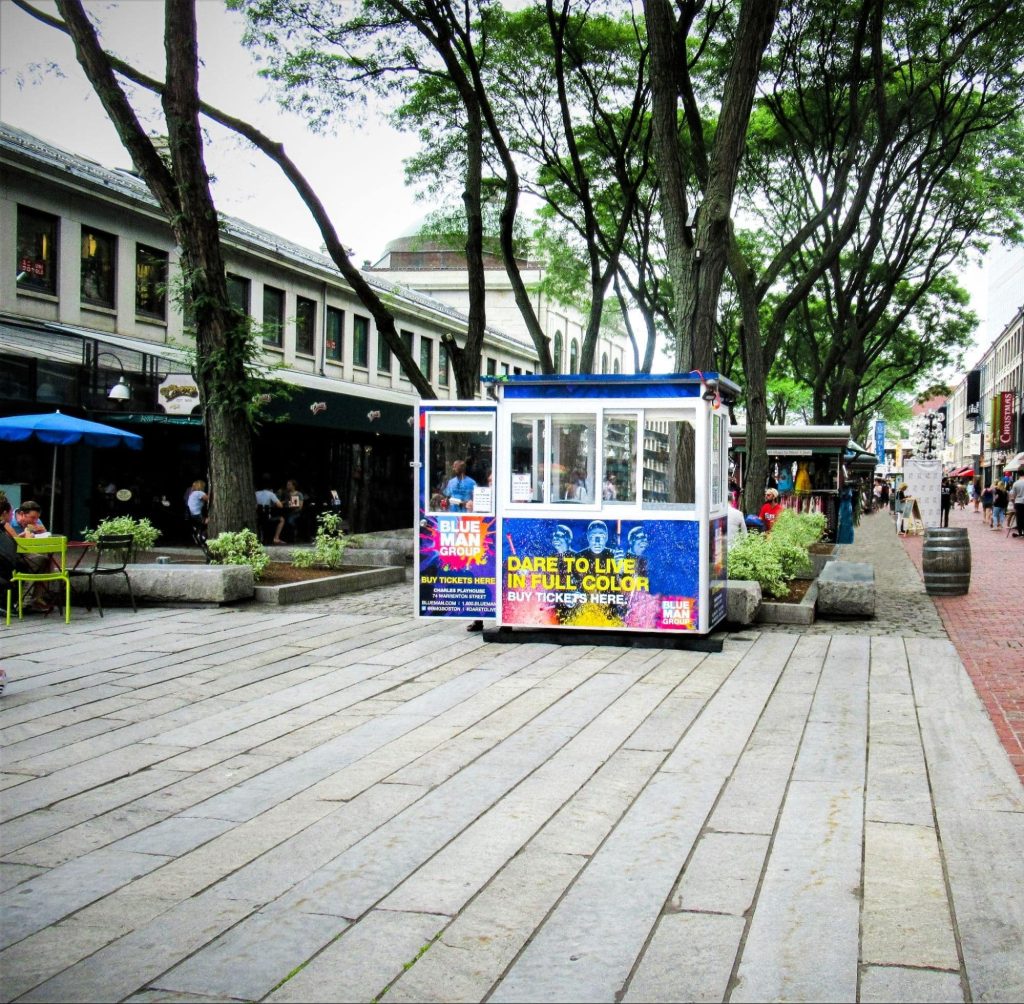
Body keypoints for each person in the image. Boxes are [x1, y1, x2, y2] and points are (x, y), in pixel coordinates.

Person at [1009, 471, 1024, 537]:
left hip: (1018, 502)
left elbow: (1013, 495)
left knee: (1019, 517)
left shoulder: (1015, 483)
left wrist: (1013, 502)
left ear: (1018, 475)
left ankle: (1020, 532)